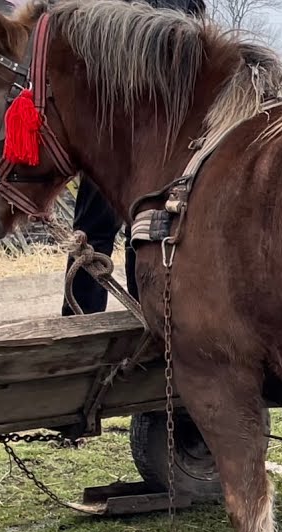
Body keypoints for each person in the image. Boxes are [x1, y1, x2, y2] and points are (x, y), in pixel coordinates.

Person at [62, 0, 206, 316]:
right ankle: (119, 319)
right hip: (123, 130)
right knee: (124, 229)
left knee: (138, 230)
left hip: (144, 130)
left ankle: (138, 318)